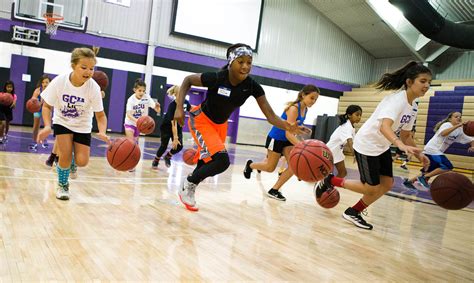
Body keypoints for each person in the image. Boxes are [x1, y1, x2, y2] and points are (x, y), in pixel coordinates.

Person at [173, 43, 308, 212]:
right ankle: (188, 184)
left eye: (249, 62)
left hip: (220, 126)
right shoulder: (217, 78)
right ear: (231, 62)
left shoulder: (252, 86)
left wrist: (289, 126)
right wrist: (179, 107)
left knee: (207, 162)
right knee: (222, 161)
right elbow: (187, 80)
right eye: (241, 61)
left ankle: (190, 187)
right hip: (201, 120)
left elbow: (271, 116)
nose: (245, 66)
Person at [315, 61, 431, 230]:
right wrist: (398, 144)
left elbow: (406, 135)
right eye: (423, 81)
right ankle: (330, 180)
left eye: (429, 82)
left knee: (387, 184)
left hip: (381, 146)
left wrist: (420, 154)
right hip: (367, 145)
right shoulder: (396, 100)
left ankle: (353, 212)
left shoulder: (413, 107)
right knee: (371, 188)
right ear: (409, 82)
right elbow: (384, 126)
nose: (427, 85)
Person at [37, 47, 109, 200]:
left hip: (83, 125)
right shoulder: (59, 81)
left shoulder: (93, 88)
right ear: (73, 66)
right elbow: (46, 106)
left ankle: (73, 164)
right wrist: (48, 126)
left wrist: (102, 131)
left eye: (91, 68)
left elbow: (101, 115)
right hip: (62, 122)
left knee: (82, 162)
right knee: (65, 155)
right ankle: (63, 185)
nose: (88, 72)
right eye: (84, 67)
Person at [243, 85, 319, 201]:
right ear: (303, 95)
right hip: (276, 138)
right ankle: (250, 165)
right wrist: (302, 146)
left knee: (294, 166)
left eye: (315, 99)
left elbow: (292, 126)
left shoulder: (305, 109)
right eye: (312, 98)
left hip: (287, 141)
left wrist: (302, 129)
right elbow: (288, 133)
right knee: (270, 168)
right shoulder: (294, 108)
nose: (313, 101)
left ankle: (274, 190)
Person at [403, 112, 474, 190]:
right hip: (432, 149)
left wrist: (472, 146)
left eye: (460, 117)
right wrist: (458, 125)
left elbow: (470, 140)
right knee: (447, 166)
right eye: (456, 116)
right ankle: (424, 178)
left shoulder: (459, 130)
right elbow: (443, 133)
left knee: (429, 171)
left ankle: (409, 182)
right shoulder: (447, 125)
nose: (458, 118)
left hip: (436, 151)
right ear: (450, 118)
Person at [152, 85, 191, 169]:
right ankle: (156, 159)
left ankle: (168, 156)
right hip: (167, 127)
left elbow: (191, 109)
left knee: (179, 146)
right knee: (164, 146)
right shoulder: (172, 105)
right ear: (176, 95)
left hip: (178, 126)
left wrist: (202, 109)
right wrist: (175, 137)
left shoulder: (185, 103)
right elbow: (173, 122)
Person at [326, 105, 362, 178]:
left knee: (343, 173)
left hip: (338, 152)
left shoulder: (351, 127)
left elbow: (354, 143)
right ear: (349, 115)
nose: (359, 117)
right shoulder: (346, 126)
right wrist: (355, 155)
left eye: (360, 115)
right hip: (329, 151)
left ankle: (330, 186)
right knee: (326, 174)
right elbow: (350, 141)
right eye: (357, 115)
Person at [29, 75, 51, 150]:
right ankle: (34, 142)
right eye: (43, 82)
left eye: (47, 82)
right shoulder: (38, 90)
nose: (45, 84)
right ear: (41, 83)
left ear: (50, 83)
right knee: (36, 126)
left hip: (47, 110)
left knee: (47, 126)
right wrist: (36, 102)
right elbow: (33, 99)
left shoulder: (51, 91)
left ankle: (45, 141)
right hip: (38, 110)